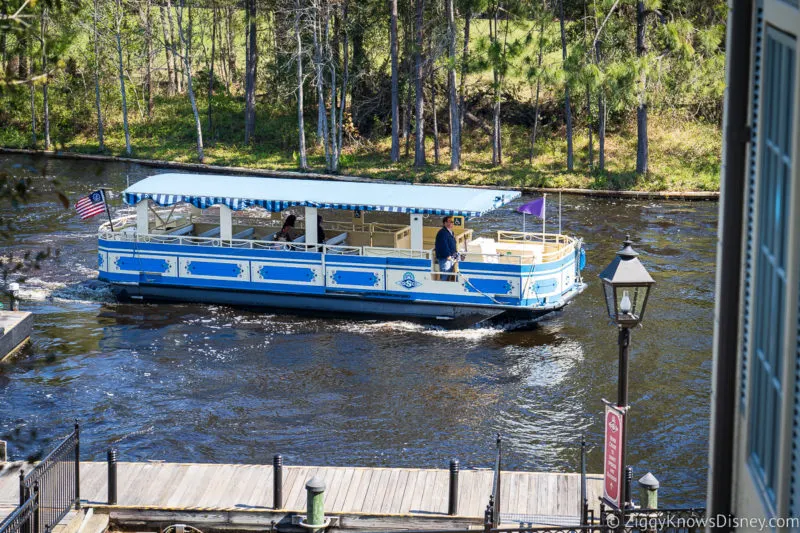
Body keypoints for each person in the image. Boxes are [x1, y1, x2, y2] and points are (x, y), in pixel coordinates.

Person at [435, 216, 458, 280]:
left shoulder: (451, 232)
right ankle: (442, 288)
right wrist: (448, 255)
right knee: (445, 274)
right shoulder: (442, 232)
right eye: (450, 221)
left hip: (451, 257)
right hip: (445, 258)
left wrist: (455, 254)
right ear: (445, 223)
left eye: (452, 222)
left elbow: (453, 244)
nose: (451, 223)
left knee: (449, 275)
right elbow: (443, 245)